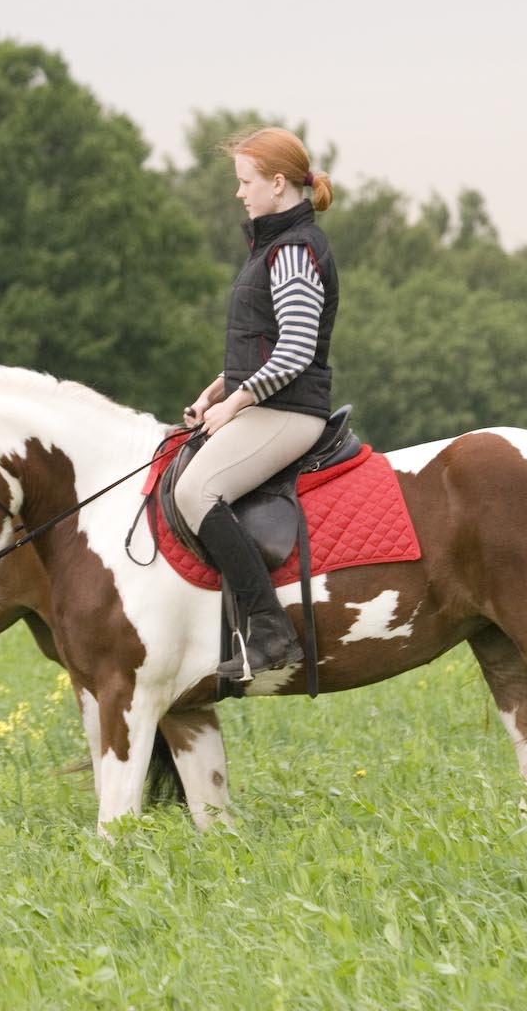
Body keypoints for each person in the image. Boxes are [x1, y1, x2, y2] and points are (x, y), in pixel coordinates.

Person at [179, 126, 339, 683]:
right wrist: (219, 388)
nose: (239, 193)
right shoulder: (273, 245)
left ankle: (269, 634)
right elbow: (264, 342)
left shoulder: (293, 252)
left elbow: (295, 352)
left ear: (277, 183)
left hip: (289, 413)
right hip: (267, 405)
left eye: (245, 182)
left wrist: (239, 399)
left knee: (196, 491)